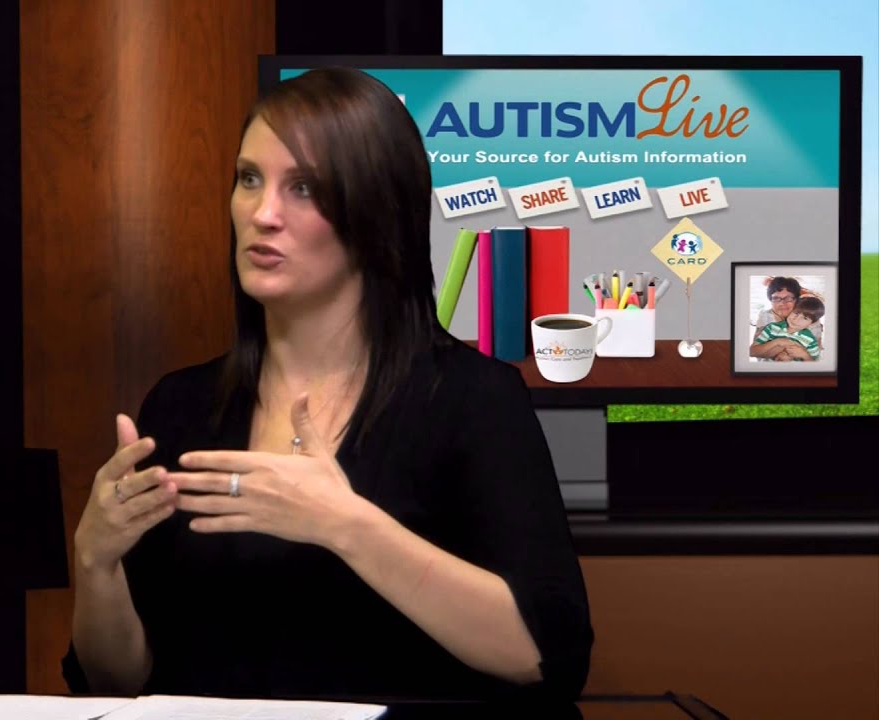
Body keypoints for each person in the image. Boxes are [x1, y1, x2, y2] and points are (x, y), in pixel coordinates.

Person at [64, 67, 593, 703]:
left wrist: (345, 525)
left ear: (376, 213)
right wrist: (95, 562)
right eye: (249, 179)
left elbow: (548, 657)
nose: (262, 214)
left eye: (304, 188)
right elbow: (118, 682)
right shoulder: (180, 405)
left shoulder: (472, 400)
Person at [752, 277, 824, 350]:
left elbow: (816, 351)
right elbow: (756, 350)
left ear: (797, 300)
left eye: (788, 298)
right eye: (776, 298)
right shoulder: (765, 317)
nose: (782, 303)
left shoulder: (809, 318)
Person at [750, 295, 824, 361]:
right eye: (796, 313)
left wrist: (805, 355)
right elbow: (751, 352)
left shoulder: (811, 340)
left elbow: (814, 365)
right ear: (791, 311)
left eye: (805, 318)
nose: (796, 319)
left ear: (811, 323)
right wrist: (777, 342)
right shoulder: (772, 328)